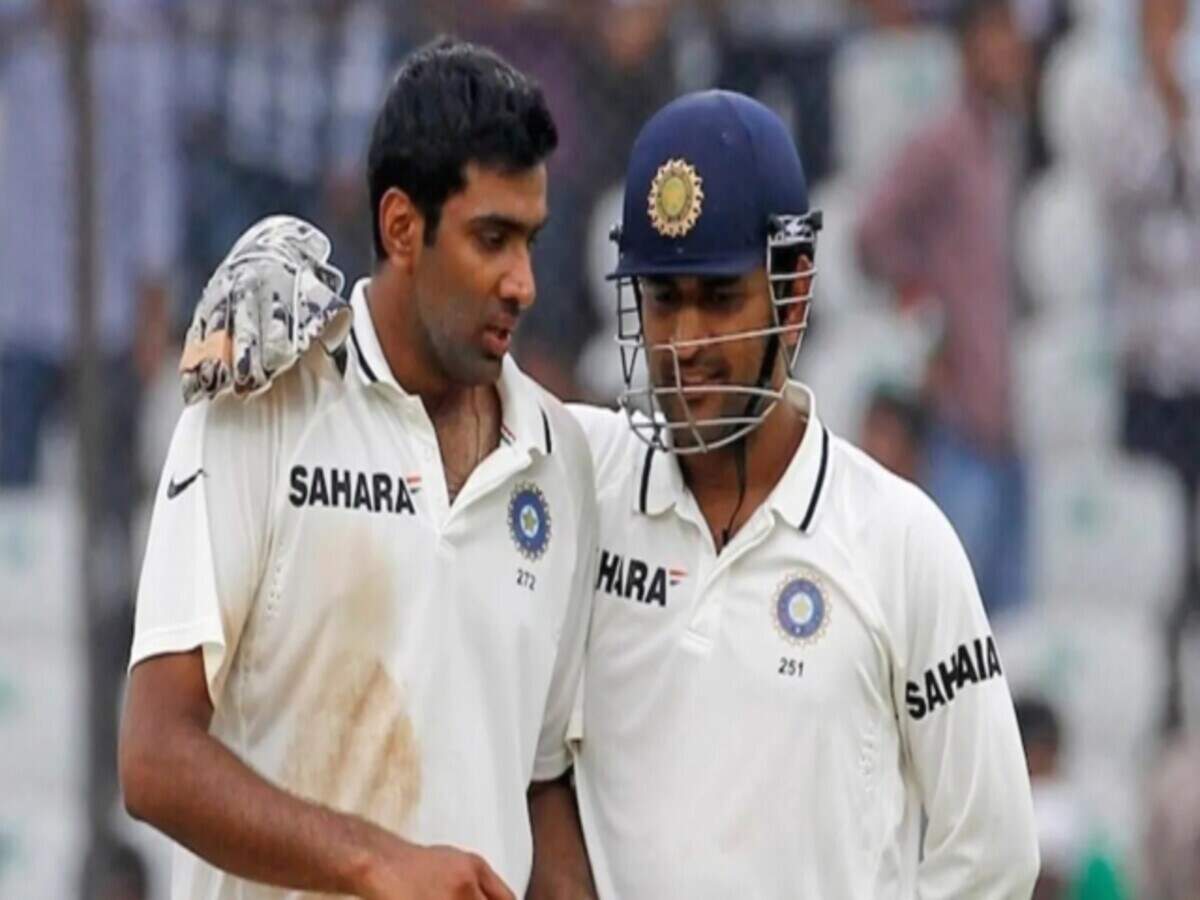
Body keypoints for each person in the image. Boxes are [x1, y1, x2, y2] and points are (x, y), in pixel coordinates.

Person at [180, 89, 1039, 897]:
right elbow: (422, 376)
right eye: (663, 300)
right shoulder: (573, 472)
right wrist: (289, 301)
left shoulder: (900, 541)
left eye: (719, 298)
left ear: (794, 289)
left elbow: (994, 851)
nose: (686, 341)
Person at [119, 39, 598, 900]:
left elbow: (539, 777)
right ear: (402, 227)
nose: (523, 282)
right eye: (491, 239)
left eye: (530, 241)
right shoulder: (263, 402)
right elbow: (154, 759)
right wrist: (377, 862)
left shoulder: (559, 459)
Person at [856, 0, 1033, 618]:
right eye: (999, 34)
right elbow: (871, 234)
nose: (1013, 50)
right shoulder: (945, 142)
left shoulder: (1006, 142)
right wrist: (924, 306)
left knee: (1008, 629)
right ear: (969, 46)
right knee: (956, 619)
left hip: (1008, 420)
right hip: (960, 419)